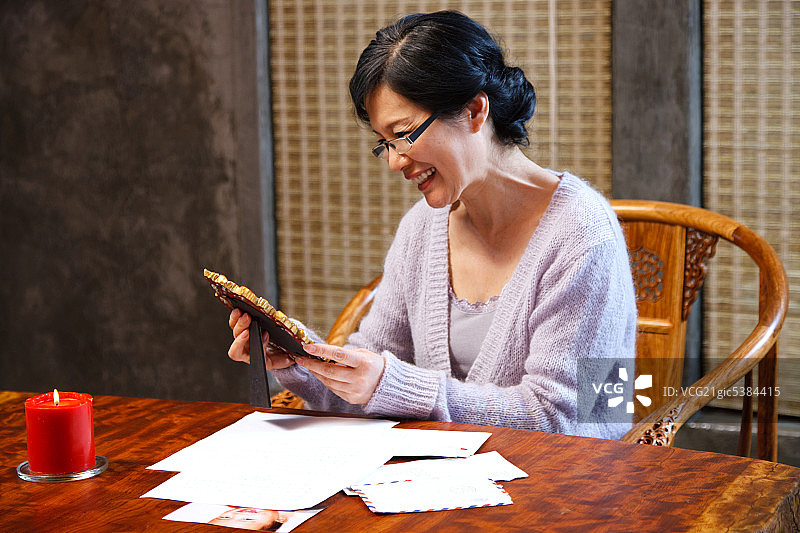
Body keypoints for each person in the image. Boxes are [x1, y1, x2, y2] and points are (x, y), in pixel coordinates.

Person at [228, 10, 637, 439]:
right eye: (383, 144)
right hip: (433, 487)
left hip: (556, 497)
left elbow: (580, 421)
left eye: (404, 133)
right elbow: (371, 379)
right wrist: (301, 358)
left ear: (475, 111)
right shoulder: (422, 228)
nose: (394, 161)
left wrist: (401, 387)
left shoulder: (585, 234)